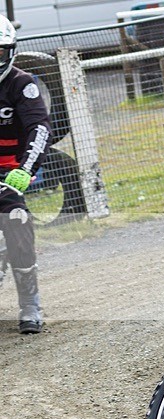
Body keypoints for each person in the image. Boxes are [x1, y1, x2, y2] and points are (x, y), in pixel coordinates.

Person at [0, 14, 52, 334]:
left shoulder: (22, 84)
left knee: (17, 220)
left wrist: (25, 169)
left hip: (9, 174)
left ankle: (29, 302)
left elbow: (40, 128)